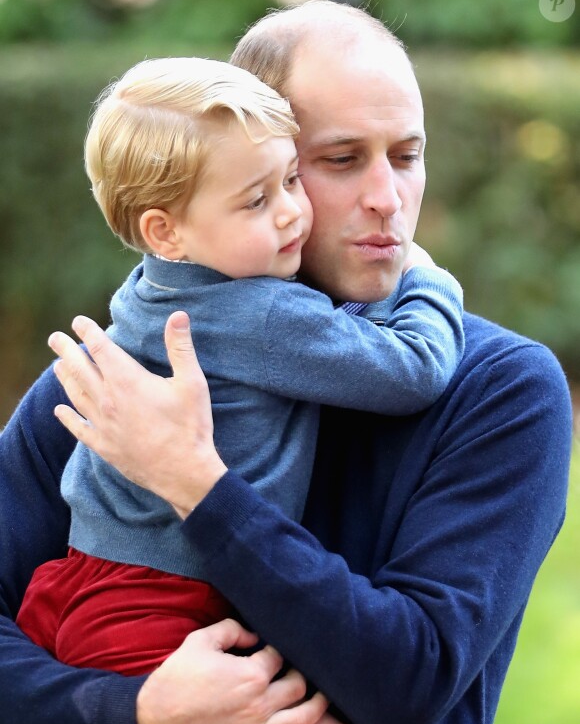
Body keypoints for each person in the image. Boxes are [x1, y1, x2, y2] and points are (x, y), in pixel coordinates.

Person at [0, 0, 572, 724]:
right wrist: (133, 709)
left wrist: (196, 484)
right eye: (338, 161)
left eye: (407, 156)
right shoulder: (126, 379)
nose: (386, 199)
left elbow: (412, 680)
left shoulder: (502, 390)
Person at [14, 54, 464, 679]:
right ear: (165, 232)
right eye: (256, 200)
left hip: (78, 582)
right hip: (162, 604)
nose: (288, 213)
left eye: (289, 180)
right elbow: (412, 368)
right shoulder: (258, 313)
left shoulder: (150, 293)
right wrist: (425, 276)